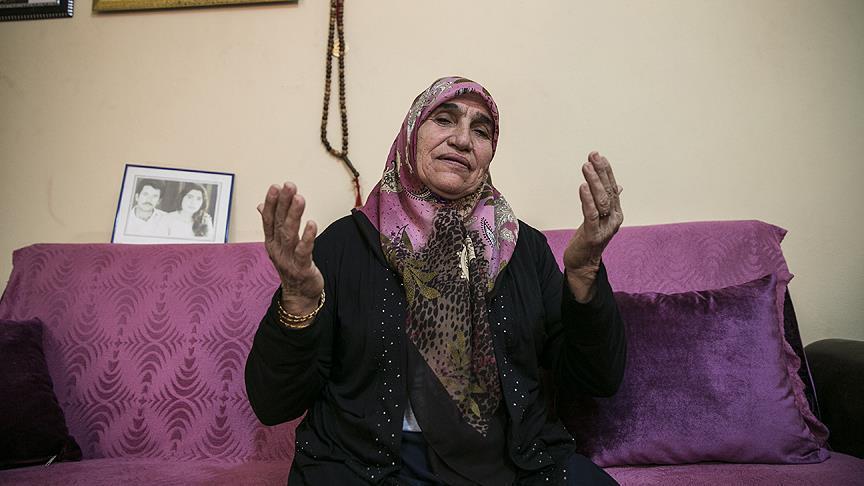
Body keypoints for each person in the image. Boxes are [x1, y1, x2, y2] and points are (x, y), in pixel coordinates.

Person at [245, 77, 626, 485]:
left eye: (481, 130)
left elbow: (596, 379)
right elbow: (273, 403)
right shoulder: (343, 245)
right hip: (365, 468)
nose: (462, 139)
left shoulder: (522, 248)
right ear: (411, 133)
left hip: (511, 466)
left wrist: (584, 273)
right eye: (444, 119)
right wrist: (298, 302)